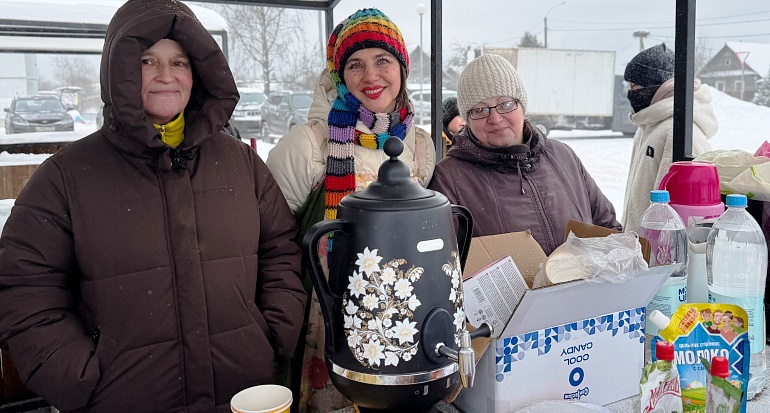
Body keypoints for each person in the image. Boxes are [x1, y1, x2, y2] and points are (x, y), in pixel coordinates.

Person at [0, 1, 306, 412]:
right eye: (147, 60)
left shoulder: (241, 164)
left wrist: (271, 336)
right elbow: (26, 290)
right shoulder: (65, 176)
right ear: (119, 70)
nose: (166, 76)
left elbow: (281, 252)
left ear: (198, 72)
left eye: (179, 61)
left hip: (241, 393)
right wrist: (77, 378)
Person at [266, 8, 435, 413]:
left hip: (399, 315)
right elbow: (267, 240)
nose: (371, 76)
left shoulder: (422, 147)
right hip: (323, 313)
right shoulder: (310, 145)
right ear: (340, 76)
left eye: (383, 60)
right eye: (355, 65)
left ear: (402, 69)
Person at [428, 54, 620, 255]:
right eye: (480, 109)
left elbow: (609, 230)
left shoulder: (563, 156)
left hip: (581, 286)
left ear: (522, 105)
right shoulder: (448, 178)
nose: (495, 118)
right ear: (467, 118)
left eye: (505, 104)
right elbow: (441, 264)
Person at [621, 43, 719, 232]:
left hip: (658, 255)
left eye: (635, 86)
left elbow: (680, 217)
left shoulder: (677, 133)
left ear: (657, 86)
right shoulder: (647, 126)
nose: (631, 93)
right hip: (639, 251)